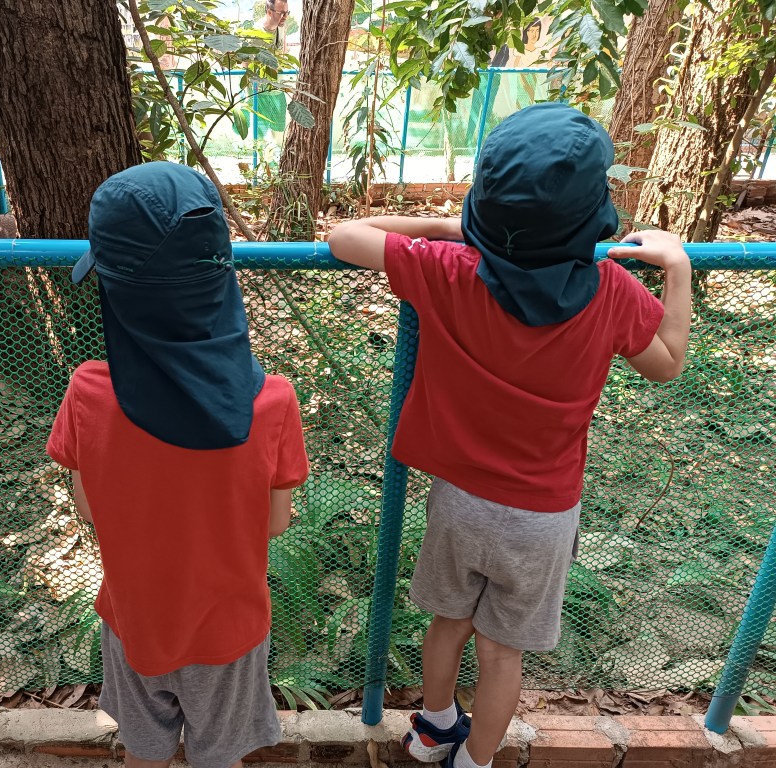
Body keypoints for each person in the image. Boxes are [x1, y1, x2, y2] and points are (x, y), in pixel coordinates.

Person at [328, 103, 691, 768]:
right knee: (501, 654)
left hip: (458, 502)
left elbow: (344, 237)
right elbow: (666, 364)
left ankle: (433, 729)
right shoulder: (612, 291)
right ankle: (476, 761)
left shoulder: (448, 269)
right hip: (542, 518)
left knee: (449, 623)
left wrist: (448, 228)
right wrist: (677, 267)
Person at [47, 161, 309, 768]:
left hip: (134, 623)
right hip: (230, 634)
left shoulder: (87, 393)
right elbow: (275, 523)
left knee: (144, 752)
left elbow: (88, 508)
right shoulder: (273, 403)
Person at [254, 0, 290, 144]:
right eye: (281, 13)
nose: (285, 17)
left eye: (287, 13)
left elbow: (283, 53)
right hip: (259, 93)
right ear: (269, 12)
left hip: (277, 90)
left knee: (279, 135)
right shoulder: (256, 32)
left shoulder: (281, 28)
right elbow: (245, 64)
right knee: (259, 137)